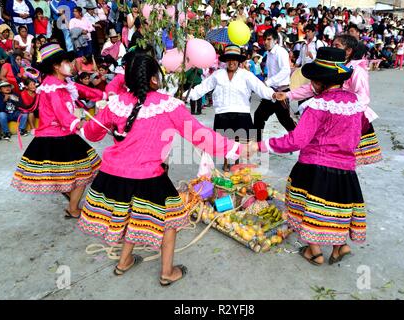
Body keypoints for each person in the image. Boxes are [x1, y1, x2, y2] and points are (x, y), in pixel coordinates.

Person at [77, 50, 244, 283]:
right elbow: (200, 135)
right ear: (155, 79)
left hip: (113, 176)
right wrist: (237, 148)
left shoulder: (115, 105)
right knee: (170, 221)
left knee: (130, 216)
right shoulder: (167, 106)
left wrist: (82, 124)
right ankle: (167, 272)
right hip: (147, 177)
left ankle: (124, 261)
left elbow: (91, 133)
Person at [253, 47, 368, 266]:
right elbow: (358, 135)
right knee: (335, 208)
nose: (310, 86)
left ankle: (314, 252)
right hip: (345, 170)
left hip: (314, 167)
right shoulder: (356, 103)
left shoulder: (317, 105)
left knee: (306, 208)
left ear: (321, 81)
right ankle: (339, 246)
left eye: (313, 81)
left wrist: (261, 145)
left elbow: (296, 140)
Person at [11, 43, 105, 218]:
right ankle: (73, 207)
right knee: (85, 172)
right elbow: (62, 114)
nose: (71, 65)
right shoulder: (52, 88)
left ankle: (72, 202)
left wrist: (105, 95)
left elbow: (82, 90)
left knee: (78, 173)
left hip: (62, 135)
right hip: (57, 137)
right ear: (56, 66)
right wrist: (79, 124)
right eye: (67, 62)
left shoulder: (62, 83)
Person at [288, 35, 382, 166]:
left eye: (337, 46)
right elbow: (313, 87)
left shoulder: (356, 70)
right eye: (333, 45)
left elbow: (363, 98)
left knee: (344, 159)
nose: (333, 49)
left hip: (349, 118)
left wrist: (345, 112)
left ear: (348, 51)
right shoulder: (334, 67)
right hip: (332, 116)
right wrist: (289, 95)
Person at [186, 44, 277, 172]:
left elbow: (259, 87)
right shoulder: (217, 75)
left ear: (239, 61)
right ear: (225, 61)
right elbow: (203, 87)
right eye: (229, 59)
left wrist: (272, 94)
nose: (231, 62)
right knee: (224, 141)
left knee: (240, 142)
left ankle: (236, 163)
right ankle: (225, 163)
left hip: (242, 113)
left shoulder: (246, 75)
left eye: (234, 59)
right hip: (222, 113)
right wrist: (187, 96)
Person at [253, 28, 294, 143]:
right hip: (271, 92)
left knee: (285, 120)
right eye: (264, 39)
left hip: (281, 91)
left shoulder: (280, 52)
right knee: (259, 115)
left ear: (275, 40)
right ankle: (257, 143)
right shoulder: (269, 53)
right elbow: (272, 72)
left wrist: (268, 82)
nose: (266, 42)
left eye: (269, 39)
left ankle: (299, 141)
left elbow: (285, 71)